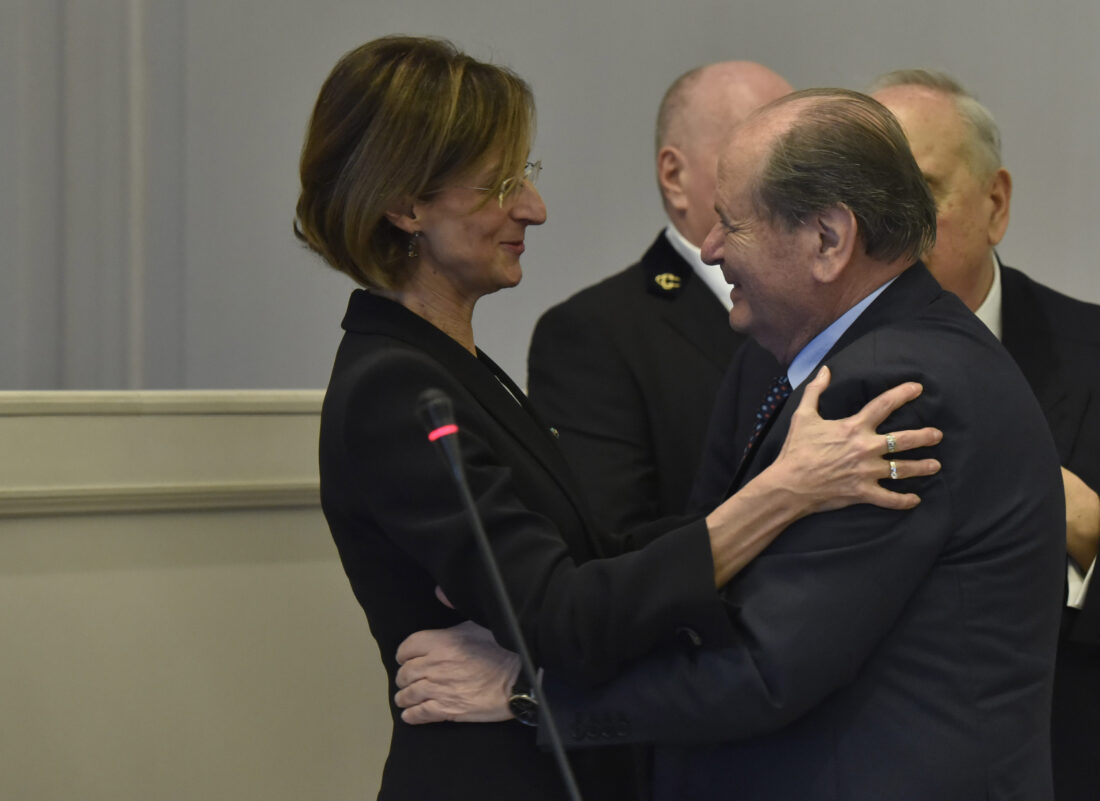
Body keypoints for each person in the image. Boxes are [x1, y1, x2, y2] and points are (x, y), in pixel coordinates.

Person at [295, 38, 941, 801]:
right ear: (406, 205)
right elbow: (563, 616)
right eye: (501, 183)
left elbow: (595, 558)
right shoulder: (395, 387)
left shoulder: (449, 366)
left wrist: (786, 500)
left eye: (526, 175)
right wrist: (783, 494)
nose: (532, 208)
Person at [394, 89, 1066, 800]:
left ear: (828, 239)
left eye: (732, 224)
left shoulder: (890, 387)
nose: (710, 250)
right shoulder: (872, 356)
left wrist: (530, 691)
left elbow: (765, 665)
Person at [866, 70, 1100, 801]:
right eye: (867, 196)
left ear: (996, 203)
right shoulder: (787, 375)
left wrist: (1087, 525)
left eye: (919, 191)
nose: (889, 225)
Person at [526, 61, 792, 531]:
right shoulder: (594, 335)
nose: (798, 180)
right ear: (674, 175)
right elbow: (615, 546)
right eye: (768, 155)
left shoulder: (830, 308)